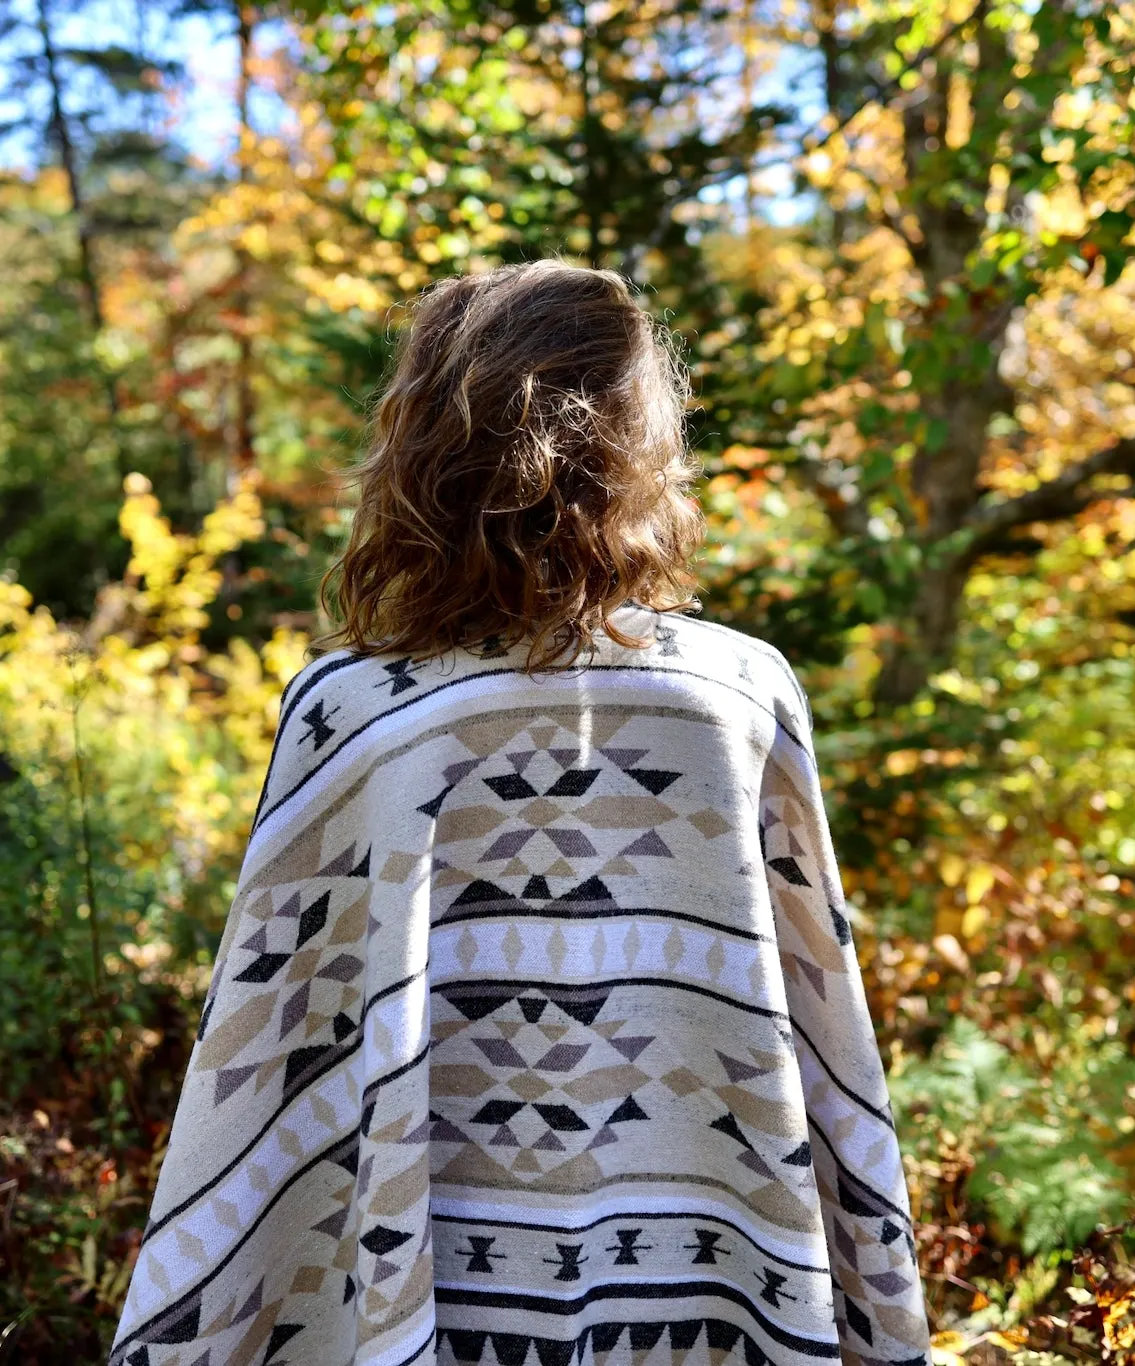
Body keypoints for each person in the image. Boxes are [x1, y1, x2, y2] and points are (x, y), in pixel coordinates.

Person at [110, 261, 930, 1366]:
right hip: (711, 1287)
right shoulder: (739, 692)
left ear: (422, 451)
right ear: (640, 442)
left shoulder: (350, 710)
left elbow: (265, 1080)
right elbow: (827, 1061)